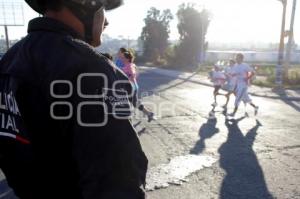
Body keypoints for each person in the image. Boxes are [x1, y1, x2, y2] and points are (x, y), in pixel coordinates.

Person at [0, 0, 148, 199]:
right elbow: (119, 180)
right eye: (103, 7)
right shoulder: (90, 68)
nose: (106, 22)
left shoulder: (8, 62)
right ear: (86, 3)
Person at [122, 51, 155, 122]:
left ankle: (129, 119)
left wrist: (128, 79)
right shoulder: (131, 65)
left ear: (127, 59)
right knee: (133, 103)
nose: (122, 59)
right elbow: (137, 73)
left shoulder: (129, 65)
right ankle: (149, 114)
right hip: (132, 86)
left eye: (123, 58)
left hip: (131, 87)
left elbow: (133, 74)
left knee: (132, 103)